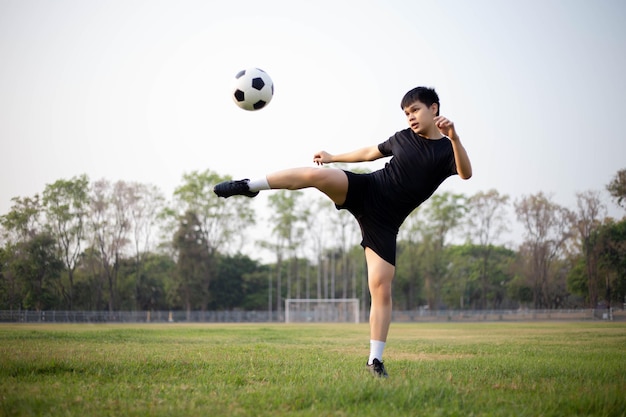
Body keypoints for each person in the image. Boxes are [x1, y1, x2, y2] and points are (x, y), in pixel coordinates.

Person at [214, 86, 472, 378]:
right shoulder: (402, 138)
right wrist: (333, 156)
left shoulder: (447, 150)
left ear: (434, 109)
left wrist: (455, 137)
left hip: (385, 222)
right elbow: (368, 153)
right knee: (316, 175)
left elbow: (465, 173)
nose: (410, 117)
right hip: (367, 189)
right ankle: (249, 185)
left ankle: (375, 360)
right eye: (406, 113)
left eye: (415, 110)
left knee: (381, 288)